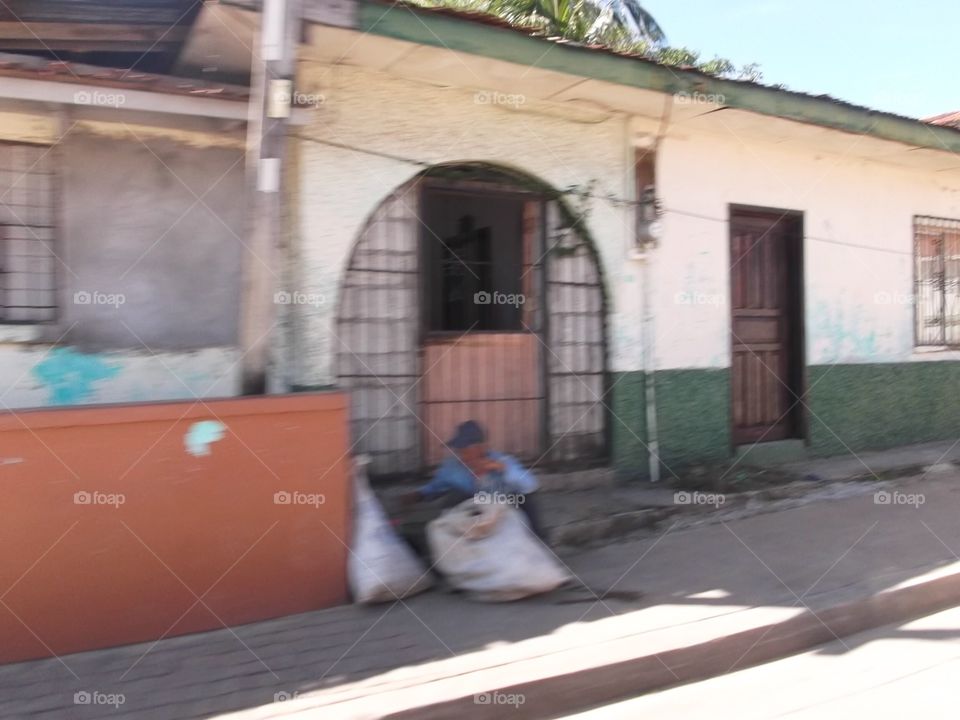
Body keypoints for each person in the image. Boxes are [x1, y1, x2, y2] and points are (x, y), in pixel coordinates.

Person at [407, 420, 545, 540]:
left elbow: (530, 484)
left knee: (525, 499)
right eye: (460, 450)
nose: (463, 455)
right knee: (454, 497)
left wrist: (502, 468)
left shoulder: (501, 461)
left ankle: (539, 543)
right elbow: (436, 487)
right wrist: (418, 495)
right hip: (472, 511)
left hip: (501, 510)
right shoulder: (451, 467)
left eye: (467, 450)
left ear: (482, 448)